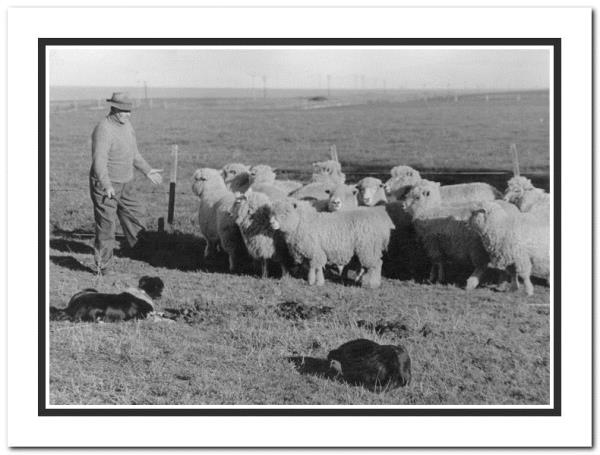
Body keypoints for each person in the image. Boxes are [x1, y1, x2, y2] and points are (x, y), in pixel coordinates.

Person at [89, 92, 163, 274]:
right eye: (123, 111)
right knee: (106, 226)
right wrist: (106, 185)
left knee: (135, 215)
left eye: (129, 111)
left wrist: (147, 170)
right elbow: (99, 161)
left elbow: (133, 153)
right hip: (106, 184)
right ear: (113, 109)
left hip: (127, 181)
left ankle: (138, 251)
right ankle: (103, 265)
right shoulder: (104, 129)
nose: (127, 114)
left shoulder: (127, 125)